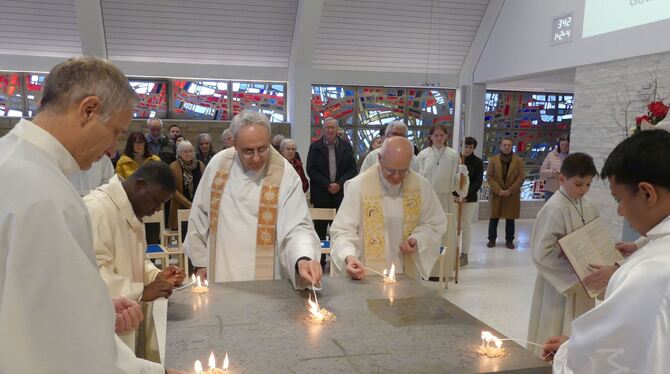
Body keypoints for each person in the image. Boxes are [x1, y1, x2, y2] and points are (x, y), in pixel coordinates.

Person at [0, 57, 181, 373]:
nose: (112, 149)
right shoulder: (46, 193)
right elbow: (68, 336)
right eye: (115, 132)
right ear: (88, 109)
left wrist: (100, 307)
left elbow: (42, 303)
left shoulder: (13, 159)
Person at [543, 130, 670, 373]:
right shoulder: (554, 208)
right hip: (562, 281)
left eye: (618, 199)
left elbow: (611, 356)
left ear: (647, 193)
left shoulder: (650, 272)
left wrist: (570, 353)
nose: (620, 212)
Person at [184, 111, 322, 289]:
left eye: (262, 149)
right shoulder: (219, 164)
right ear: (234, 144)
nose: (256, 158)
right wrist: (200, 261)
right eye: (248, 151)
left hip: (268, 276)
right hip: (222, 269)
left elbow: (297, 226)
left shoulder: (285, 174)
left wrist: (302, 258)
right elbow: (200, 215)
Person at [86, 161, 185, 361]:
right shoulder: (96, 208)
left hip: (130, 318)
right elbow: (91, 272)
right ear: (139, 185)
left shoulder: (129, 208)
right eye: (156, 200)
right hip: (104, 327)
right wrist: (141, 291)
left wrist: (156, 274)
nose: (157, 209)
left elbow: (137, 257)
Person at [330, 137, 447, 280]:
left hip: (407, 274)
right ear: (379, 159)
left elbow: (435, 223)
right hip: (366, 273)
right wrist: (348, 256)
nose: (397, 177)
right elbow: (342, 231)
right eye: (391, 171)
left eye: (403, 171)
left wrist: (418, 239)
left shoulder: (422, 186)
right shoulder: (359, 186)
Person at [526, 153, 599, 357]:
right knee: (556, 326)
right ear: (561, 179)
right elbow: (541, 252)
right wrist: (571, 263)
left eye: (587, 185)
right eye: (578, 184)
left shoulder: (588, 206)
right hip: (559, 284)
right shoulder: (553, 209)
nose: (583, 190)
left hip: (584, 279)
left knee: (579, 326)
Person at [417, 125, 468, 279]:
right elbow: (418, 178)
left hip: (445, 199)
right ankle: (426, 269)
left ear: (446, 136)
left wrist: (462, 176)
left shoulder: (453, 155)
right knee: (428, 233)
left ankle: (443, 270)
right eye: (436, 135)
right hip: (427, 200)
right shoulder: (422, 155)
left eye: (442, 135)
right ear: (430, 137)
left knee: (445, 234)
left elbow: (458, 183)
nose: (439, 138)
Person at [306, 117, 358, 240]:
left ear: (337, 129)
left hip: (340, 196)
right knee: (320, 231)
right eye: (327, 127)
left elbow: (352, 169)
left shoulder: (346, 146)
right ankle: (320, 258)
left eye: (332, 127)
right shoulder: (315, 147)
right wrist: (327, 185)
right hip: (321, 195)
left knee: (339, 230)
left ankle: (337, 257)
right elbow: (311, 169)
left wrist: (339, 184)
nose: (330, 130)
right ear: (323, 129)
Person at [486, 137, 525, 249]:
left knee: (510, 218)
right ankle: (492, 239)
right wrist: (499, 190)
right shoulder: (493, 160)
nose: (507, 147)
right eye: (504, 145)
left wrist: (509, 190)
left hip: (511, 194)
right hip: (496, 193)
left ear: (511, 146)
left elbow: (521, 177)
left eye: (509, 145)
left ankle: (509, 240)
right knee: (493, 218)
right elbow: (489, 177)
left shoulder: (518, 161)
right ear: (501, 146)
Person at [459, 136, 484, 266]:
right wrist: (457, 195)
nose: (467, 149)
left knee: (465, 225)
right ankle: (452, 252)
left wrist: (465, 196)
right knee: (453, 226)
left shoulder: (478, 162)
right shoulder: (456, 159)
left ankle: (464, 254)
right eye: (466, 146)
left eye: (470, 147)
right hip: (455, 198)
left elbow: (477, 182)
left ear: (474, 148)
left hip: (470, 199)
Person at [168, 140, 206, 230]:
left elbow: (205, 184)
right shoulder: (173, 166)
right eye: (185, 151)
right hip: (179, 206)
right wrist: (188, 204)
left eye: (190, 151)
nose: (188, 154)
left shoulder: (200, 165)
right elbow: (172, 189)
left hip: (198, 207)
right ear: (179, 153)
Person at [540, 134, 570, 201]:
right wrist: (553, 172)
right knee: (549, 210)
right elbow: (542, 172)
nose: (564, 147)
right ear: (559, 144)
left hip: (566, 190)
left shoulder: (571, 156)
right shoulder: (551, 155)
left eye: (567, 145)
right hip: (551, 190)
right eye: (562, 145)